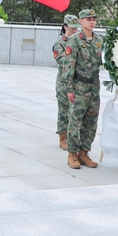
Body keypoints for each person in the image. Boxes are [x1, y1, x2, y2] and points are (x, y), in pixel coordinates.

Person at [63, 9, 103, 170]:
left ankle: (84, 152)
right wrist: (69, 88)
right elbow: (68, 66)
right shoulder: (74, 41)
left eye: (93, 19)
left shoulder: (99, 40)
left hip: (94, 86)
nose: (92, 22)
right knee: (75, 121)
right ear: (80, 21)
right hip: (79, 86)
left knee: (91, 121)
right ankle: (72, 154)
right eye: (88, 19)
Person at [53, 15, 80, 150]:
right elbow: (62, 61)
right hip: (64, 82)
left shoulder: (81, 42)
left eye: (76, 28)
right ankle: (63, 137)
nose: (74, 30)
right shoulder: (60, 44)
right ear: (65, 27)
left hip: (77, 82)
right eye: (71, 27)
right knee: (63, 110)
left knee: (74, 111)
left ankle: (73, 136)